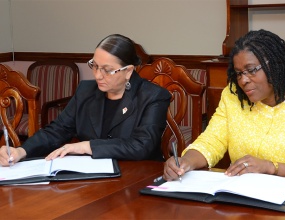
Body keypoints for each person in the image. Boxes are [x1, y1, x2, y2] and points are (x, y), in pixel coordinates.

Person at [164, 29, 285, 182]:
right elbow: (212, 141)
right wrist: (185, 162)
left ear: (275, 64)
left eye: (251, 70)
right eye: (239, 73)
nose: (243, 80)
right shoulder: (233, 95)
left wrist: (272, 168)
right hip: (243, 197)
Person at [0, 34, 171, 166]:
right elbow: (57, 130)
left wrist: (86, 146)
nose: (97, 75)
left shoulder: (153, 96)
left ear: (128, 71)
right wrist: (22, 150)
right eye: (95, 66)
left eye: (107, 70)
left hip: (136, 178)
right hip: (92, 177)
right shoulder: (86, 91)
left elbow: (141, 146)